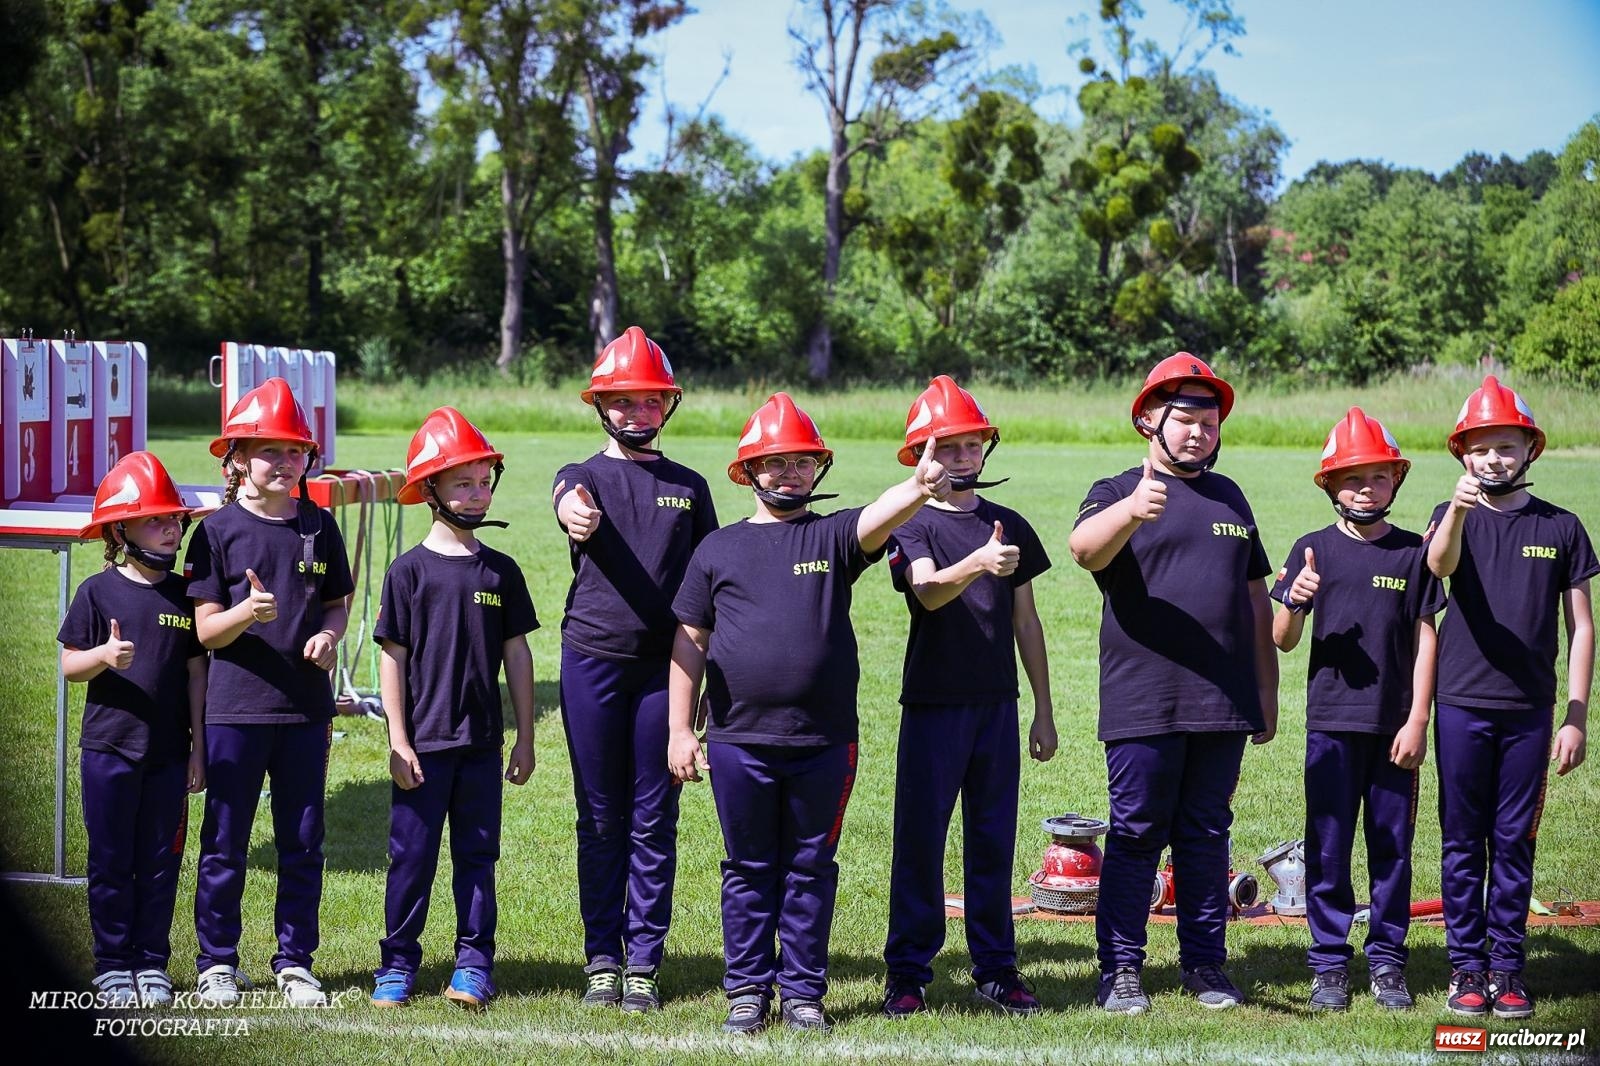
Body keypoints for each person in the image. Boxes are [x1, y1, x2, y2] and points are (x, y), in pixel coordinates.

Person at [667, 392, 950, 1035]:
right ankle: (747, 990)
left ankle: (801, 992)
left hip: (824, 741)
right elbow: (689, 642)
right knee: (748, 869)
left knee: (810, 868)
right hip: (738, 740)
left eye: (803, 462)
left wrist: (916, 487)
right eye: (776, 462)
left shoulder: (831, 536)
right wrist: (680, 729)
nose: (791, 473)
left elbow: (874, 518)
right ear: (749, 470)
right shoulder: (717, 549)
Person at [1067, 354, 1277, 1016]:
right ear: (1148, 421)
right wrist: (1132, 510)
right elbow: (1084, 549)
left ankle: (1206, 965)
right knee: (1135, 833)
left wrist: (1266, 693)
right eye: (1185, 419)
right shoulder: (1116, 489)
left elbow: (1256, 600)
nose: (1198, 432)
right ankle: (1120, 969)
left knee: (1206, 834)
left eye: (1208, 422)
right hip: (1144, 701)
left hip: (1223, 702)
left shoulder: (1230, 496)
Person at [552, 327, 719, 1012]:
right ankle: (602, 958)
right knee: (599, 815)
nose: (638, 412)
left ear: (668, 405)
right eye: (623, 400)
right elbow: (566, 499)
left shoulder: (690, 486)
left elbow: (715, 587)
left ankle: (643, 961)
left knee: (653, 817)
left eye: (651, 400)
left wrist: (706, 685)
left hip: (665, 671)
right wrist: (573, 514)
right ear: (600, 405)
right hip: (591, 661)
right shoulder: (583, 477)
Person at [879, 376, 1057, 1018]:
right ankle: (907, 972)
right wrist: (979, 563)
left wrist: (1042, 708)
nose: (962, 456)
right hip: (933, 705)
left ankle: (997, 969)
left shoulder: (1009, 524)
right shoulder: (912, 522)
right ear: (920, 454)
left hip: (996, 707)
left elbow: (1026, 621)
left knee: (992, 839)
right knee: (920, 841)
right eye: (947, 446)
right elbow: (927, 592)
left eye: (971, 444)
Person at [1424, 376, 1595, 1020]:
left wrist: (1575, 715)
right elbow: (1439, 567)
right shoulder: (1450, 516)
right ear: (1462, 454)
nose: (1493, 458)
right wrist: (1458, 510)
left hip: (1530, 712)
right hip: (1460, 705)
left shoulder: (1562, 526)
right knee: (1463, 841)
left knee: (1515, 840)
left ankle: (1507, 967)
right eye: (1480, 447)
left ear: (1531, 449)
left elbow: (1582, 627)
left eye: (1506, 446)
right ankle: (1466, 967)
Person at [183, 377, 353, 1008]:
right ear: (236, 460)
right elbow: (205, 631)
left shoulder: (319, 524)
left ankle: (295, 962)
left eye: (295, 451)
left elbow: (337, 603)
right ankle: (216, 963)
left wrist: (329, 636)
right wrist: (245, 613)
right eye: (270, 451)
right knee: (225, 842)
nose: (285, 462)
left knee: (303, 842)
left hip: (305, 711)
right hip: (234, 710)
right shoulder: (215, 532)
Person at [1270, 408, 1442, 1012]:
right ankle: (1329, 963)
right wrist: (1295, 601)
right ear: (1330, 485)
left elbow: (1426, 638)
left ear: (1396, 481)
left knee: (1392, 845)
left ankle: (1388, 960)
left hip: (1395, 729)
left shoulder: (1414, 553)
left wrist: (1418, 718)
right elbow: (1282, 639)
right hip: (1332, 726)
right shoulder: (1312, 549)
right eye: (1352, 478)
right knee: (1328, 844)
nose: (1365, 489)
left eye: (1377, 477)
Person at [368, 407, 537, 1011]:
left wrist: (524, 737)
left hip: (481, 746)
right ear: (429, 490)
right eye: (462, 483)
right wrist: (398, 739)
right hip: (422, 747)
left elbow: (518, 656)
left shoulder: (502, 571)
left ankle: (473, 962)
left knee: (477, 857)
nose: (477, 493)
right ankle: (397, 963)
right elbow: (391, 659)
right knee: (411, 859)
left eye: (484, 481)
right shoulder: (407, 572)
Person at [59, 452, 206, 1009]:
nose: (171, 530)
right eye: (155, 520)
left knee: (160, 863)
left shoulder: (186, 594)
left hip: (168, 755)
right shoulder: (97, 592)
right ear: (120, 530)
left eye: (175, 519)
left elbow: (197, 675)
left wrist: (198, 748)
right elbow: (70, 666)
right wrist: (103, 655)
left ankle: (151, 963)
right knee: (111, 861)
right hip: (108, 751)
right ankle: (113, 964)